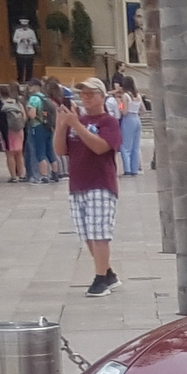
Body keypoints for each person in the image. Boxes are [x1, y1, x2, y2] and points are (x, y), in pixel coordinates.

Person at [55, 77, 123, 296]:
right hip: (78, 183)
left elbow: (101, 147)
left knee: (99, 232)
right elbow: (60, 149)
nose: (86, 98)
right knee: (86, 233)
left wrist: (76, 125)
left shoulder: (108, 122)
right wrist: (61, 125)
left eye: (91, 94)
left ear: (102, 96)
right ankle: (107, 272)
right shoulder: (77, 119)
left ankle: (100, 278)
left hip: (100, 182)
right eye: (83, 94)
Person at [116, 75, 143, 176]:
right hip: (137, 119)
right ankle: (134, 169)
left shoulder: (125, 96)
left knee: (125, 146)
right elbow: (143, 110)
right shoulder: (138, 96)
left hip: (128, 120)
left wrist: (119, 104)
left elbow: (124, 111)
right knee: (135, 147)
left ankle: (127, 169)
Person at [11, 16, 39, 82]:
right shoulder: (17, 31)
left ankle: (28, 80)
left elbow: (35, 40)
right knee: (20, 67)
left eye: (25, 25)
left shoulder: (31, 32)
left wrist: (30, 41)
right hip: (20, 51)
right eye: (23, 25)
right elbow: (14, 39)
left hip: (29, 51)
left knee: (29, 67)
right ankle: (20, 80)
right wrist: (21, 40)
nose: (24, 27)